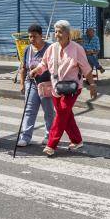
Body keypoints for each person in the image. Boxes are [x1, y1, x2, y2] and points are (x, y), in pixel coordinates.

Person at [30, 20, 97, 157]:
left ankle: (51, 144)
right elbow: (44, 64)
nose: (57, 34)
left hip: (72, 88)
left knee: (61, 114)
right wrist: (36, 70)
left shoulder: (77, 48)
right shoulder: (52, 48)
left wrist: (92, 85)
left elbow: (86, 68)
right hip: (56, 88)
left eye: (60, 31)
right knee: (66, 115)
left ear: (68, 33)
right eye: (56, 31)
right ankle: (77, 140)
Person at [18, 24, 56, 147]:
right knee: (29, 110)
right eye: (30, 37)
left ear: (41, 36)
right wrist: (22, 83)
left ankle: (49, 135)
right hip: (32, 83)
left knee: (48, 111)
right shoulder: (28, 49)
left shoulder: (49, 49)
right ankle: (25, 136)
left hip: (46, 84)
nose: (32, 39)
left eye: (35, 36)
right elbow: (23, 68)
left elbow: (55, 67)